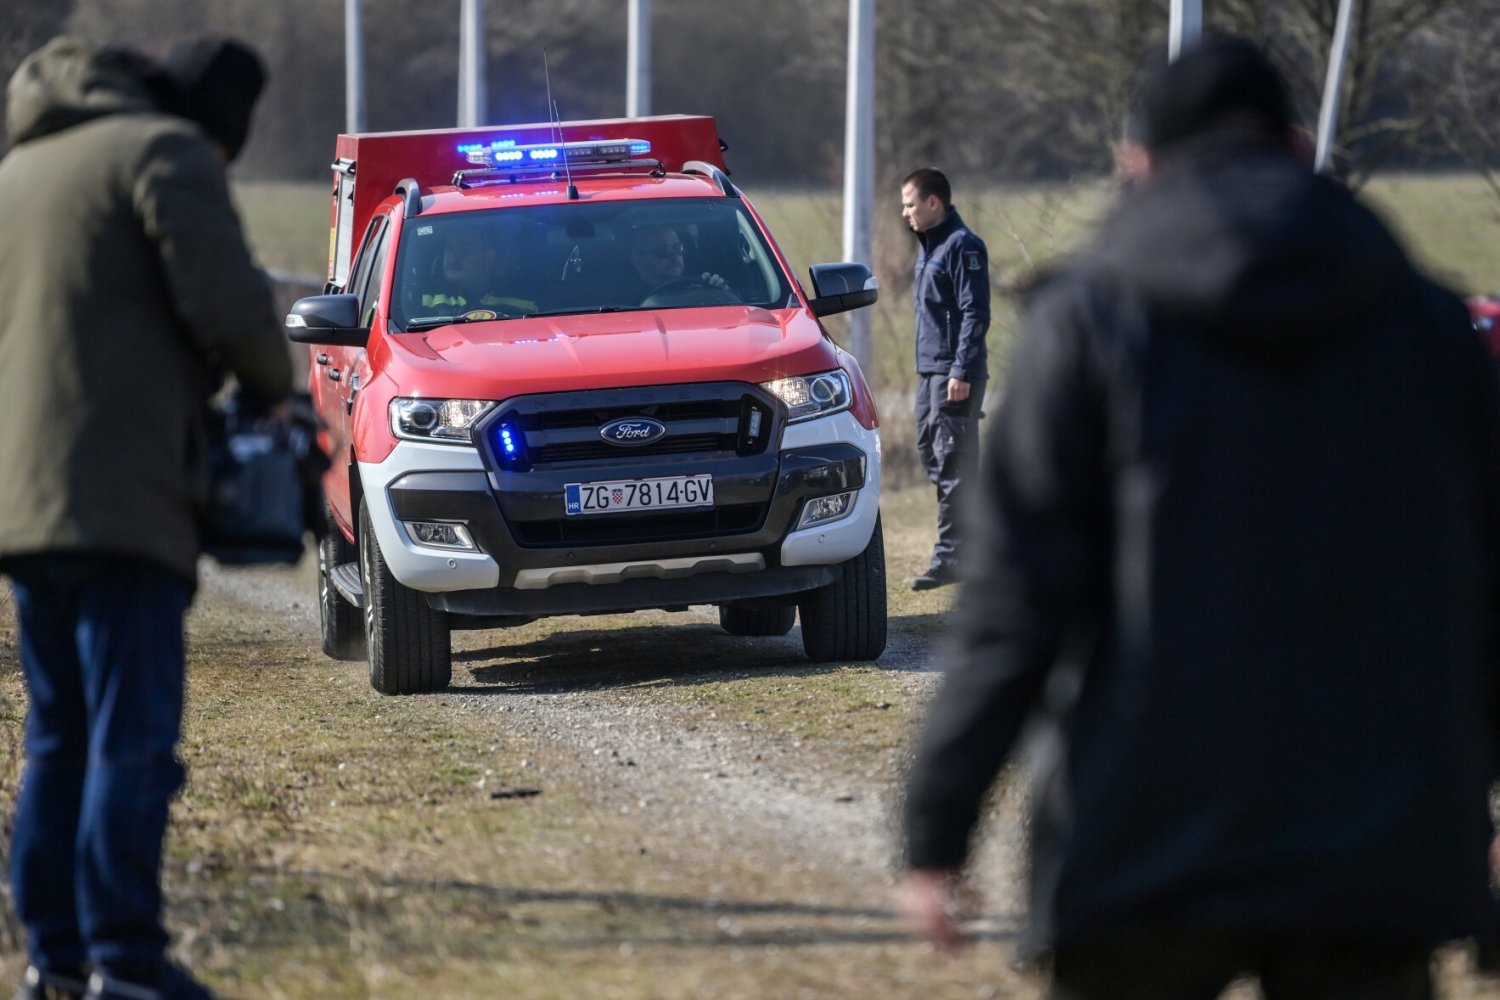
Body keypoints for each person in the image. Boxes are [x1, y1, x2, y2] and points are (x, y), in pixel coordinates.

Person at [899, 36, 1500, 1000]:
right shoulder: (1427, 326)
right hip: (1375, 840)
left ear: (1137, 162)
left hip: (1141, 829)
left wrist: (938, 827)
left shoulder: (1088, 321)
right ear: (1296, 147)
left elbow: (1017, 602)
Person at [0, 34, 293, 1000]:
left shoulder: (22, 167)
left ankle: (54, 958)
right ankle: (125, 961)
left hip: (23, 503)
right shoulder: (161, 154)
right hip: (122, 497)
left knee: (59, 735)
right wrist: (271, 390)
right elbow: (232, 308)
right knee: (130, 737)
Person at [900, 167, 990, 591]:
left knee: (953, 463)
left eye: (910, 204)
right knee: (931, 454)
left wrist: (962, 370)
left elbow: (975, 312)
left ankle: (953, 558)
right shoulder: (930, 247)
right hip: (930, 371)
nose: (905, 213)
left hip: (954, 373)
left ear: (933, 202)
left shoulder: (962, 246)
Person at [420, 221, 535, 316]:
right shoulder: (422, 297)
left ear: (489, 256)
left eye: (465, 248)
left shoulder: (522, 303)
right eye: (449, 248)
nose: (453, 256)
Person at [626, 223, 733, 303]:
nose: (675, 256)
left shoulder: (700, 284)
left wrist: (718, 293)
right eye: (663, 252)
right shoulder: (625, 300)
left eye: (678, 248)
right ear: (640, 262)